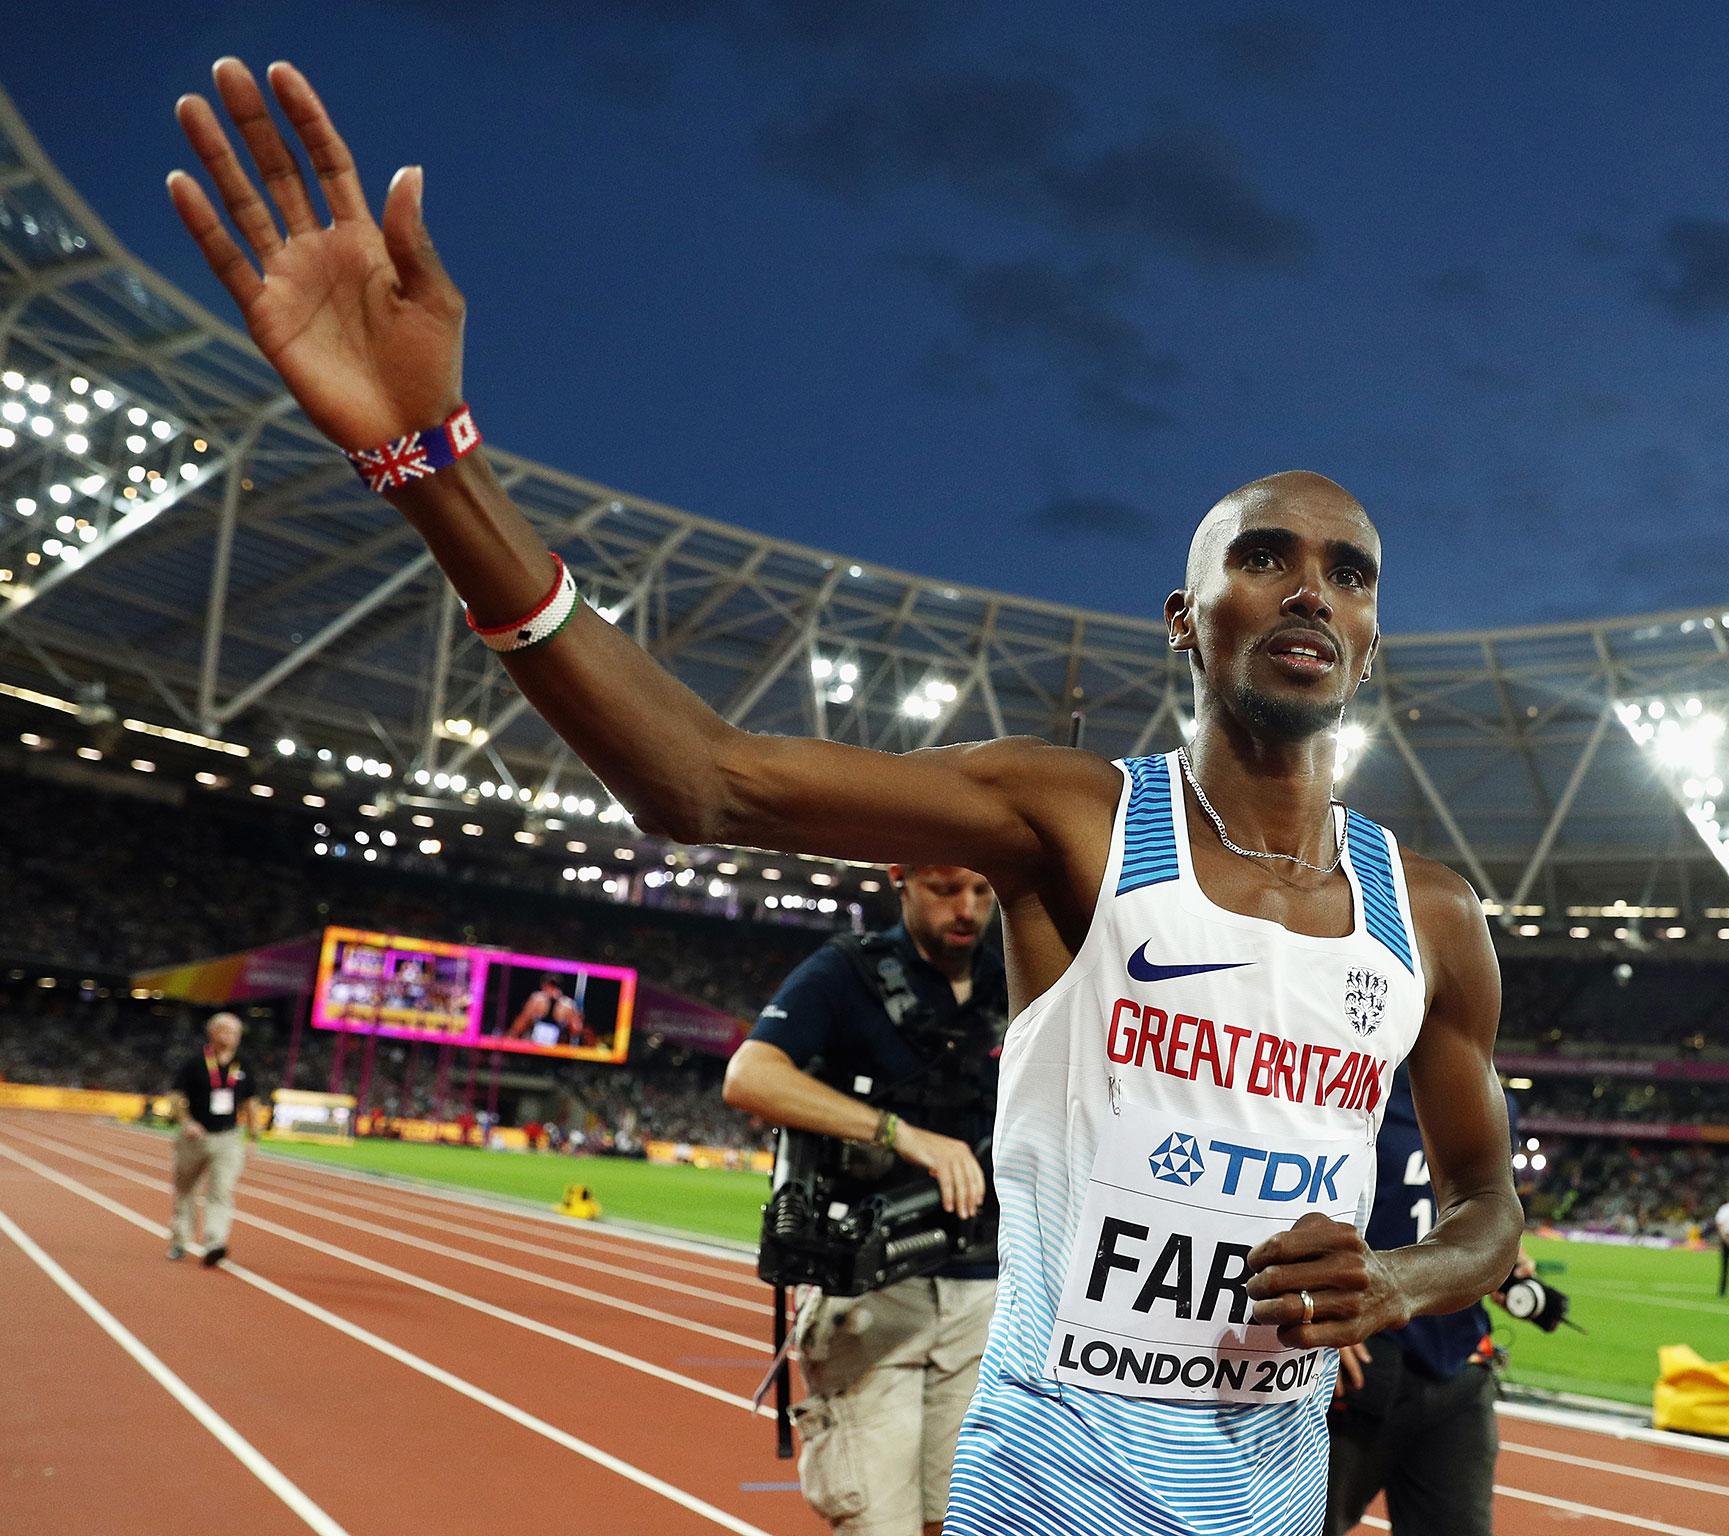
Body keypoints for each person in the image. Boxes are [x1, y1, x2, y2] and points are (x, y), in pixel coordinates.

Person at [163, 62, 1521, 1536]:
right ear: (1185, 621)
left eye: (1350, 572)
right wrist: (426, 464)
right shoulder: (1071, 822)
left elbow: (1489, 1205)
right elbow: (703, 779)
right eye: (1265, 556)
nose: (1311, 586)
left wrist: (1403, 1277)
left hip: (1273, 1494)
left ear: (1373, 639)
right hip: (1056, 1488)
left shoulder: (1430, 919)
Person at [723, 864, 1006, 1536]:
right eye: (945, 890)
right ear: (900, 878)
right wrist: (898, 1134)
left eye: (982, 891)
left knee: (962, 1520)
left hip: (987, 1288)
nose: (966, 909)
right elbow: (749, 1076)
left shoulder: (1014, 977)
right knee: (879, 1525)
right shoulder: (846, 972)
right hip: (872, 1291)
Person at [1323, 1066, 1529, 1535]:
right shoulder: (1341, 1072)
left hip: (1457, 1362)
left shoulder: (1486, 1091)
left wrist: (1500, 1261)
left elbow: (1483, 1211)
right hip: (1359, 1364)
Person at [166, 1011, 260, 1266]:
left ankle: (214, 1243)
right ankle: (179, 1241)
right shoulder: (195, 1062)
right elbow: (175, 1097)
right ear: (212, 1033)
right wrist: (186, 1122)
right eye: (226, 1031)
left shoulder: (244, 1065)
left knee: (221, 1191)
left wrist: (253, 1137)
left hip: (228, 1138)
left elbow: (251, 1103)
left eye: (236, 1033)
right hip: (195, 1137)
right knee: (185, 1190)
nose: (232, 1037)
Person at [506, 975, 585, 1046]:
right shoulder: (538, 999)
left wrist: (510, 1036)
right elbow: (523, 1020)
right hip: (539, 1045)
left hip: (553, 1048)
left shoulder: (538, 1000)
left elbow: (576, 1030)